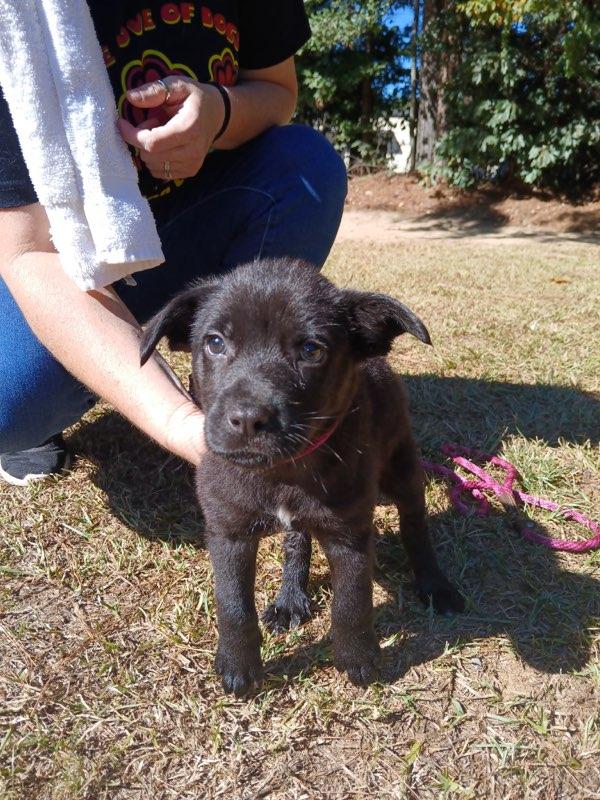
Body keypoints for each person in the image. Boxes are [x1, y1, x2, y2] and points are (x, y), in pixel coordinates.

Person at [0, 1, 347, 485]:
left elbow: (278, 91)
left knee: (306, 168)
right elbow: (28, 249)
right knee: (8, 405)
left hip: (194, 216)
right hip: (58, 249)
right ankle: (94, 373)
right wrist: (179, 425)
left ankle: (230, 386)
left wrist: (218, 114)